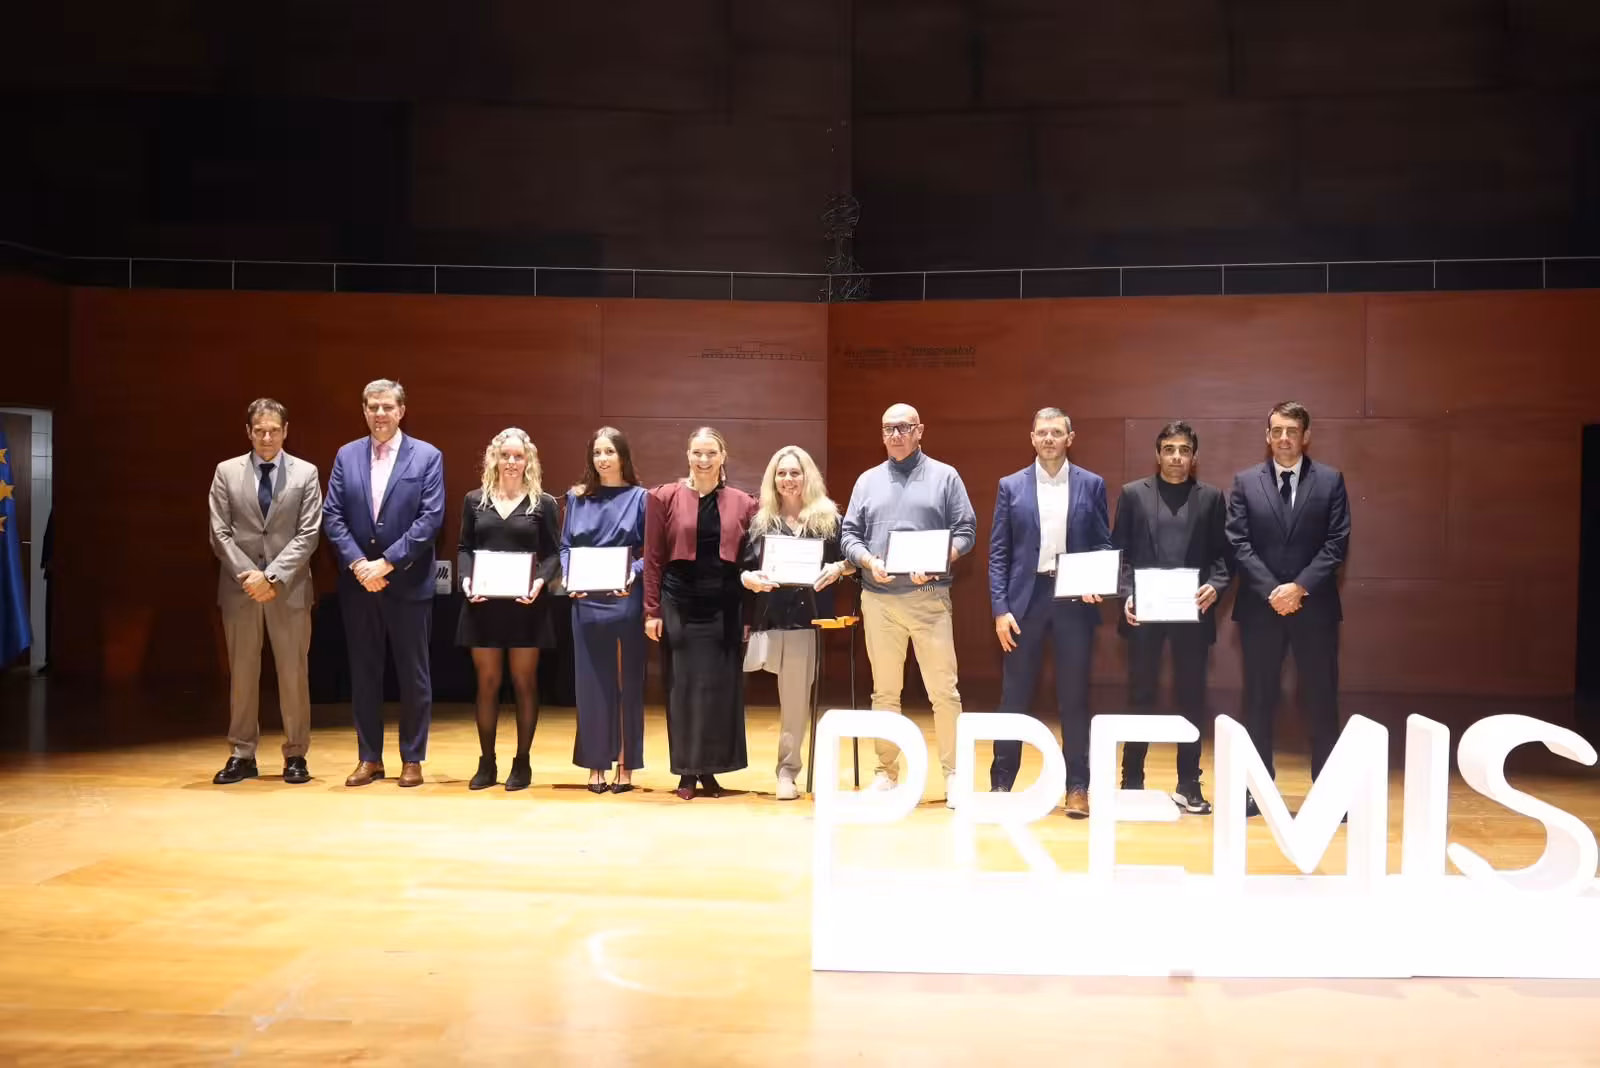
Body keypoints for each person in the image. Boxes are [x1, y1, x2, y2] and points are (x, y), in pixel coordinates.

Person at [840, 403, 976, 807]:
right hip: (878, 601)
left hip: (928, 599)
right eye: (888, 428)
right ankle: (885, 773)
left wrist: (939, 562)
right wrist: (868, 561)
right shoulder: (866, 481)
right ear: (881, 434)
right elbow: (849, 536)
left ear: (920, 431)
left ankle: (954, 776)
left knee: (944, 692)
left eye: (904, 427)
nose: (896, 435)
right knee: (884, 692)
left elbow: (966, 531)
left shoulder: (945, 476)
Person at [1225, 401, 1351, 815]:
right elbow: (1238, 543)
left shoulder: (1330, 481)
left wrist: (1298, 588)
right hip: (1260, 610)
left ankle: (1330, 794)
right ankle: (1256, 790)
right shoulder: (1245, 482)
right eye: (1277, 430)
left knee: (1321, 700)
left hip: (1315, 609)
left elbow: (1336, 544)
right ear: (1267, 436)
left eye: (1292, 431)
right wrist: (1273, 591)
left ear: (1305, 436)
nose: (1284, 438)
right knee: (1258, 700)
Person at [987, 407, 1111, 818]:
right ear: (1032, 438)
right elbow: (999, 553)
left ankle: (1077, 786)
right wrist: (1000, 609)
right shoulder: (1010, 486)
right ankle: (1001, 782)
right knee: (1014, 695)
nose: (1049, 439)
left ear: (1070, 438)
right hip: (1026, 600)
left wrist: (1097, 580)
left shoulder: (1091, 484)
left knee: (1074, 697)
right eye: (1042, 432)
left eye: (1056, 432)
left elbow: (1103, 543)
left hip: (1073, 598)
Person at [322, 378, 445, 789]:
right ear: (364, 411)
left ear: (401, 410)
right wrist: (360, 564)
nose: (380, 414)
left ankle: (412, 758)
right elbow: (333, 515)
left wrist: (386, 564)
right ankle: (369, 758)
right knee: (364, 673)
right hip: (359, 585)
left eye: (387, 406)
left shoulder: (427, 456)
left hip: (408, 584)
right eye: (372, 407)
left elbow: (430, 519)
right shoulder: (346, 455)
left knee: (414, 676)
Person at [1112, 420, 1232, 814]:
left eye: (1184, 450)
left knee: (1191, 696)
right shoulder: (1133, 494)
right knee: (1140, 694)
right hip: (1144, 612)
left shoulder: (1211, 498)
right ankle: (1132, 781)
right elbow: (1119, 554)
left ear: (1194, 456)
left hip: (1192, 611)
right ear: (1157, 454)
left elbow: (1223, 557)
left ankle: (1188, 783)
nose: (1176, 457)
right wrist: (1127, 594)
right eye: (1169, 449)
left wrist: (1216, 585)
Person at [207, 398, 323, 785]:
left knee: (293, 674)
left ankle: (296, 753)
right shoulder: (226, 472)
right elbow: (219, 533)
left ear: (286, 431)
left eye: (274, 430)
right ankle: (242, 753)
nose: (267, 437)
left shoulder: (306, 473)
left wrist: (271, 577)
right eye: (260, 431)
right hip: (240, 590)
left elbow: (308, 534)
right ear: (248, 432)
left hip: (289, 590)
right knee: (242, 674)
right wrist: (250, 576)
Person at [643, 427, 758, 801]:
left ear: (723, 456)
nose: (704, 460)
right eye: (697, 452)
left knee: (719, 690)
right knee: (683, 688)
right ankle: (687, 771)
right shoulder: (663, 497)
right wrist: (651, 610)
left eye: (711, 453)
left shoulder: (744, 503)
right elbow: (653, 558)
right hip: (680, 603)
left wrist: (747, 617)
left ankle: (711, 770)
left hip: (725, 605)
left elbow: (750, 562)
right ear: (687, 455)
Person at [740, 445, 853, 800]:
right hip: (769, 619)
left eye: (795, 472)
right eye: (781, 473)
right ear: (772, 479)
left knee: (795, 702)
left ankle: (787, 771)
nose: (788, 479)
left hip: (807, 621)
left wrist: (839, 568)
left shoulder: (829, 520)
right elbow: (744, 567)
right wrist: (748, 579)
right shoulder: (761, 521)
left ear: (808, 477)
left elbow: (852, 561)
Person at [457, 428, 560, 792]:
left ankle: (522, 762)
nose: (512, 462)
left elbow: (554, 554)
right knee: (486, 683)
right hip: (483, 605)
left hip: (525, 605)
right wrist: (466, 580)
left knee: (524, 683)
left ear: (528, 460)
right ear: (495, 459)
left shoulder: (543, 503)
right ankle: (487, 762)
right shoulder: (474, 500)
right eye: (506, 456)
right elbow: (464, 548)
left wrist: (540, 582)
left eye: (518, 456)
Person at [561, 427, 648, 794]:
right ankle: (596, 762)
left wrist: (633, 572)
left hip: (625, 597)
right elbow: (565, 546)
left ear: (623, 456)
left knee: (627, 682)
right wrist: (569, 577)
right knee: (591, 684)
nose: (603, 459)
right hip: (585, 600)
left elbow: (651, 551)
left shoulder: (641, 498)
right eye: (597, 452)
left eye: (609, 451)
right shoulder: (577, 497)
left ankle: (626, 764)